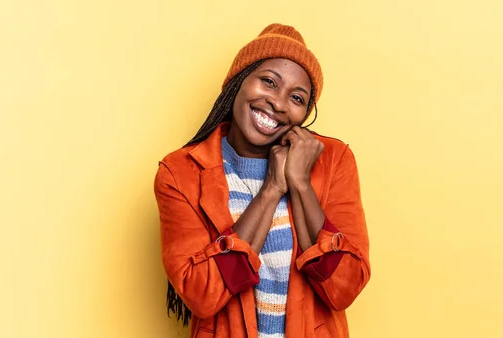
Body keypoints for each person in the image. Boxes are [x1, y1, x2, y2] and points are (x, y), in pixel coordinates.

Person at [154, 23, 371, 338]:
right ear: (238, 82)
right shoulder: (180, 172)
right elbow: (203, 294)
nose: (279, 103)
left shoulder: (334, 160)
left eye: (297, 98)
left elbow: (342, 289)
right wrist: (271, 190)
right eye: (269, 82)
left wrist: (300, 184)